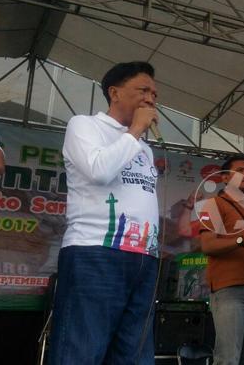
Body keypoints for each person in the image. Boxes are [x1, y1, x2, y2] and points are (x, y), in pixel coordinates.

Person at [49, 61, 161, 364]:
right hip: (95, 250)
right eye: (143, 90)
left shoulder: (144, 148)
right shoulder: (84, 125)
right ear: (114, 92)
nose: (151, 98)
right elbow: (99, 171)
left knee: (134, 354)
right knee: (82, 348)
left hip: (143, 257)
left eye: (154, 92)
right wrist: (136, 129)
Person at [186, 154, 244, 365]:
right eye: (240, 170)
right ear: (224, 178)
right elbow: (207, 245)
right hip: (229, 289)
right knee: (228, 358)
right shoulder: (212, 205)